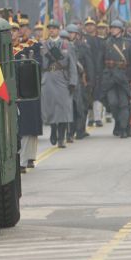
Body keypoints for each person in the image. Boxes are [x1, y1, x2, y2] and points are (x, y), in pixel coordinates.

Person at [40, 20, 77, 148]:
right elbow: (41, 65)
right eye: (50, 28)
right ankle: (53, 131)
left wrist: (73, 82)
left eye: (54, 28)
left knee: (63, 109)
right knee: (50, 108)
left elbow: (72, 65)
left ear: (59, 29)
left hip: (62, 79)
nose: (52, 30)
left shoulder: (67, 45)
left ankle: (61, 137)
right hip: (48, 78)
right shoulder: (43, 45)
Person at [100, 20, 131, 138]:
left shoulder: (129, 43)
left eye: (116, 28)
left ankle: (124, 128)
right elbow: (100, 62)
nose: (113, 30)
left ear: (121, 30)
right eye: (112, 28)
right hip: (110, 77)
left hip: (123, 78)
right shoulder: (106, 43)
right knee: (112, 103)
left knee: (124, 104)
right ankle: (120, 123)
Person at [14, 19, 42, 171]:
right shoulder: (4, 48)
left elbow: (37, 65)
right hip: (12, 92)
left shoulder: (32, 47)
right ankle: (22, 159)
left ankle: (25, 160)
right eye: (11, 30)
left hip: (27, 90)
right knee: (18, 129)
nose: (15, 32)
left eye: (17, 29)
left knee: (28, 128)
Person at [67, 24, 92, 140]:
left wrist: (90, 80)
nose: (69, 35)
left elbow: (89, 64)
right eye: (68, 33)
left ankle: (80, 130)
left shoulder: (83, 47)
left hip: (82, 80)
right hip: (69, 80)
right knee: (71, 107)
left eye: (71, 33)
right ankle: (71, 131)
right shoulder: (64, 46)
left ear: (77, 35)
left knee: (81, 107)